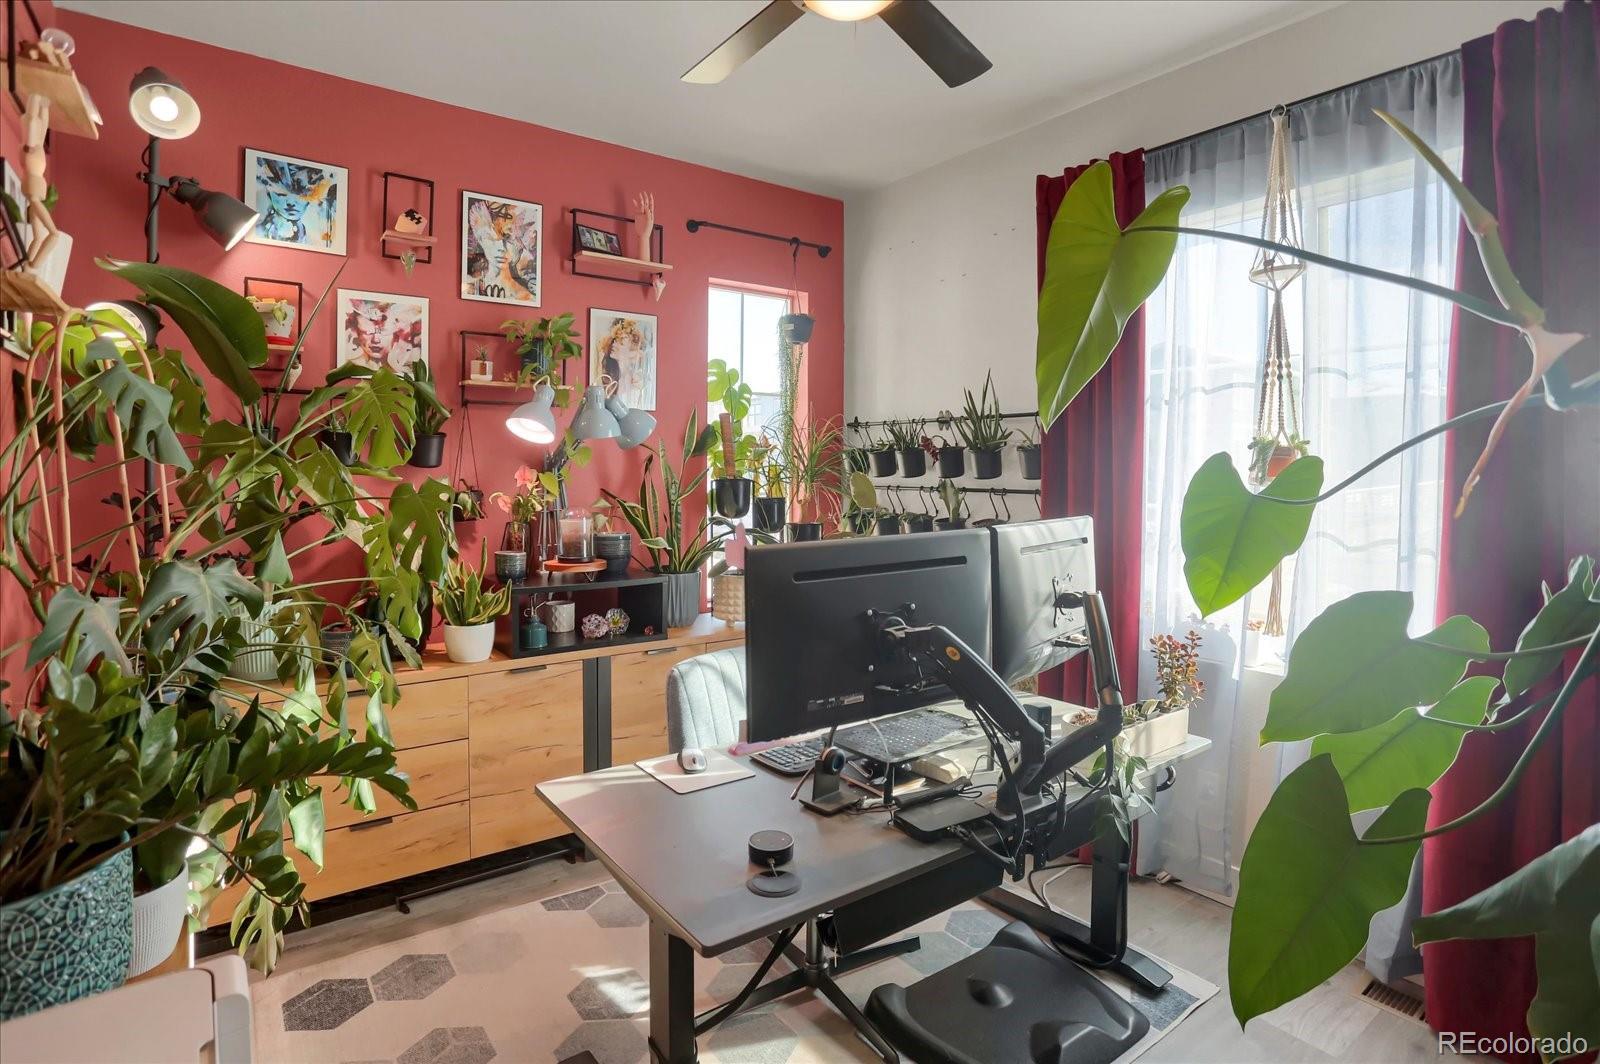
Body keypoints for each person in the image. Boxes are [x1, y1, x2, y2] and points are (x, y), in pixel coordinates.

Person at [599, 318, 654, 410]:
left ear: (633, 347)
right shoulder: (608, 375)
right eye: (614, 340)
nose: (614, 344)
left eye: (621, 341)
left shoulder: (637, 381)